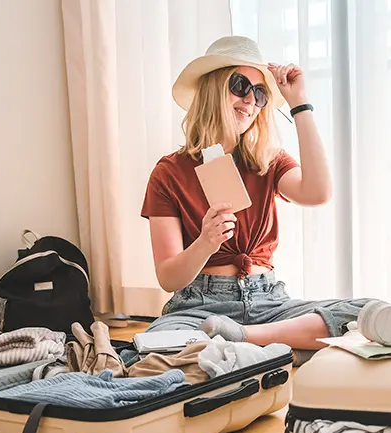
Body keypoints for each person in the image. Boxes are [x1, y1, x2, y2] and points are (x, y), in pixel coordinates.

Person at [140, 35, 371, 363]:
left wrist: (299, 104)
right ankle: (273, 351)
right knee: (156, 347)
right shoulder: (169, 172)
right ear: (213, 88)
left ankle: (247, 341)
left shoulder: (269, 160)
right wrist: (206, 242)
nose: (250, 100)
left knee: (371, 313)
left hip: (269, 303)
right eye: (240, 86)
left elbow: (318, 192)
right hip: (200, 308)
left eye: (260, 94)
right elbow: (168, 277)